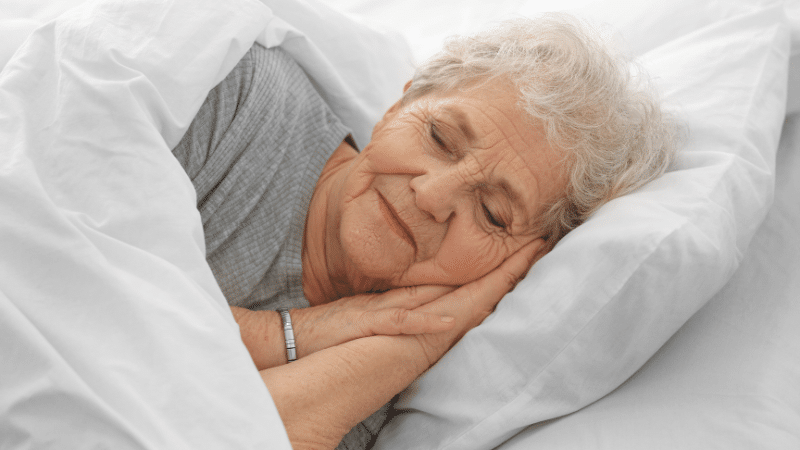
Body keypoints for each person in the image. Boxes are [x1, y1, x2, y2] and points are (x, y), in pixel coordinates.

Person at [171, 13, 677, 450]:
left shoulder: (416, 384)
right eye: (439, 137)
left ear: (523, 264)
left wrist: (413, 345)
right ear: (398, 107)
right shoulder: (232, 100)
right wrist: (300, 334)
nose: (431, 196)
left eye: (494, 213)